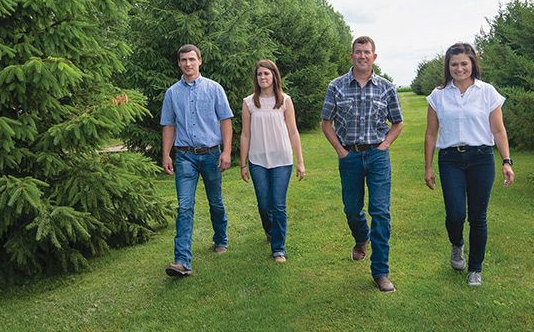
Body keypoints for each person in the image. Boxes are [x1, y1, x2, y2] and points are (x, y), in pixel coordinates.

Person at [424, 42, 515, 287]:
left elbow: (498, 130)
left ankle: (475, 268)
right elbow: (431, 134)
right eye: (454, 64)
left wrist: (506, 161)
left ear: (473, 63)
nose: (459, 68)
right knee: (455, 214)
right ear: (448, 67)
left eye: (464, 63)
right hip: (450, 160)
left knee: (478, 216)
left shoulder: (487, 92)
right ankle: (457, 244)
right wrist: (428, 167)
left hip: (481, 159)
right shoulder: (438, 95)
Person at [321, 36, 403, 293]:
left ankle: (380, 272)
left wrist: (385, 145)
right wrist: (341, 151)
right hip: (351, 156)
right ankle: (361, 239)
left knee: (380, 212)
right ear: (352, 56)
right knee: (352, 209)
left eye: (367, 52)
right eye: (358, 52)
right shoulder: (336, 87)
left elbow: (397, 122)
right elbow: (326, 122)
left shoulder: (386, 88)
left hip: (377, 155)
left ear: (374, 57)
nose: (362, 56)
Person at [161, 44, 234, 277]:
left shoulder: (214, 89)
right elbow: (169, 125)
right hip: (184, 156)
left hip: (211, 154)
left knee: (215, 201)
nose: (188, 64)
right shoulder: (172, 93)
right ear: (179, 63)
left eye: (192, 59)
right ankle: (182, 260)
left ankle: (221, 239)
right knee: (185, 206)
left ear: (199, 61)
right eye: (183, 60)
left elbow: (225, 121)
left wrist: (226, 152)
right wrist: (166, 154)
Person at [239, 60, 306, 263]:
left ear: (274, 76)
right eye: (259, 74)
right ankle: (270, 230)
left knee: (278, 204)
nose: (263, 78)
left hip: (281, 159)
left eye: (266, 74)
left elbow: (293, 132)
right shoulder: (249, 102)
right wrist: (243, 164)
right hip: (257, 160)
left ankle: (278, 249)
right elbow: (245, 134)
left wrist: (300, 162)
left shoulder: (285, 101)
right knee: (263, 204)